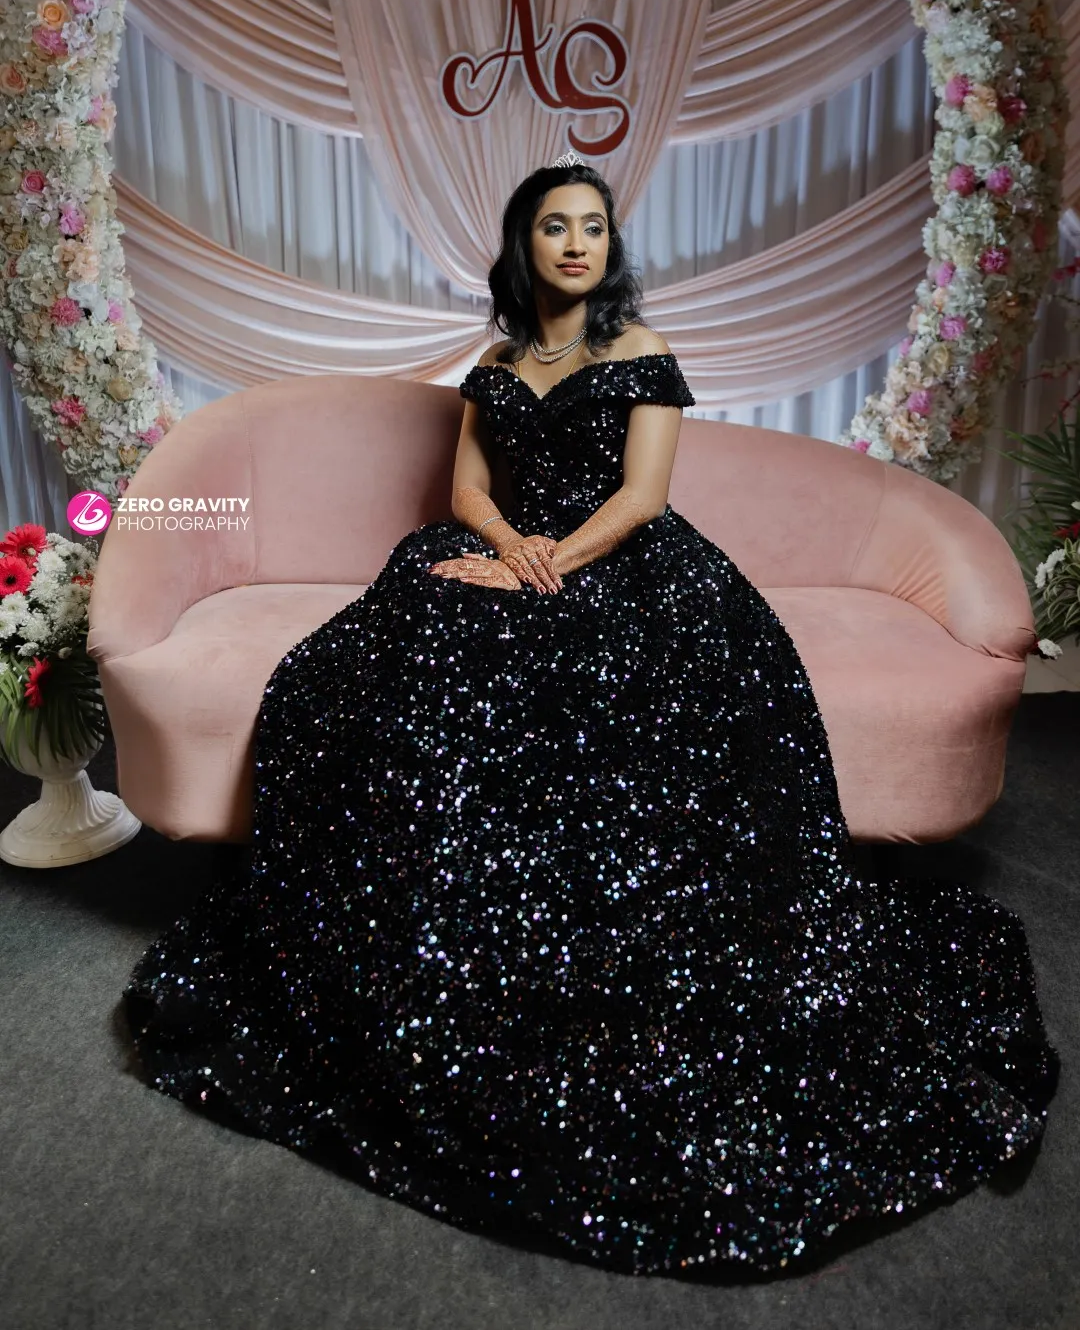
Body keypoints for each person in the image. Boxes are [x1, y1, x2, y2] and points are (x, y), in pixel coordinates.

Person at [121, 153, 1059, 1279]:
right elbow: (466, 488)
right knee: (362, 666)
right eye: (555, 227)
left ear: (611, 246)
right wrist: (502, 546)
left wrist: (548, 565)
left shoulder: (641, 352)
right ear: (523, 246)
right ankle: (422, 935)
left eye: (593, 227)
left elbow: (644, 498)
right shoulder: (499, 360)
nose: (576, 244)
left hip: (624, 566)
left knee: (586, 691)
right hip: (512, 549)